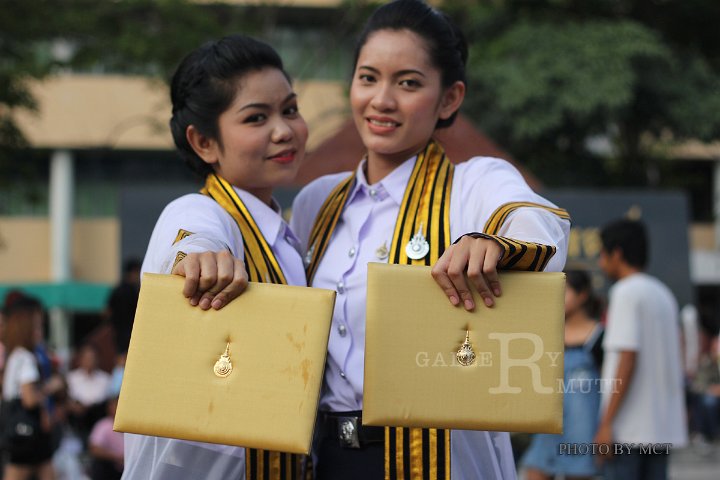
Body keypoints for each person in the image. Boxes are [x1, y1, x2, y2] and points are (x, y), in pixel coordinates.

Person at [290, 1, 571, 478]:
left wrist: (494, 243)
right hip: (327, 457)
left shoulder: (473, 183)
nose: (381, 100)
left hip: (440, 461)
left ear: (449, 99)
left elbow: (541, 223)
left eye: (408, 83)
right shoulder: (317, 201)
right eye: (368, 77)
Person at [122, 34, 308, 480]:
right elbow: (191, 237)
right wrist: (200, 257)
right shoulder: (202, 211)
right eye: (256, 118)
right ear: (204, 142)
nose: (283, 130)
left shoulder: (288, 237)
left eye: (290, 109)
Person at [594, 218, 687, 480]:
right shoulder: (663, 294)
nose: (601, 262)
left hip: (629, 431)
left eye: (603, 253)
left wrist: (606, 423)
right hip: (661, 428)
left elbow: (627, 357)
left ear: (617, 253)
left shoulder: (625, 292)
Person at [522, 269, 603, 480]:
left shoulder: (598, 336)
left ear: (582, 295)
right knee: (534, 470)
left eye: (565, 292)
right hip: (549, 425)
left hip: (584, 429)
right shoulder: (549, 332)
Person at [1, 295, 56, 480]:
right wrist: (51, 388)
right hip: (29, 431)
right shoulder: (27, 358)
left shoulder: (14, 355)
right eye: (38, 326)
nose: (41, 332)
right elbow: (29, 398)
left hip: (14, 427)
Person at [66, 344, 111, 445]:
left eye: (92, 358)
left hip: (98, 419)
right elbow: (67, 402)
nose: (90, 361)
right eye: (87, 358)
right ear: (80, 359)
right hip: (77, 422)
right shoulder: (71, 378)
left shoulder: (106, 379)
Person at [107, 258, 141, 354]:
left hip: (118, 332)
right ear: (133, 272)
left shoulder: (117, 290)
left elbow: (107, 311)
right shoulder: (135, 292)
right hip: (131, 332)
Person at [88, 397, 124, 480]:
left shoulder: (132, 426)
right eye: (115, 405)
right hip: (110, 470)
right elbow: (94, 448)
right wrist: (116, 457)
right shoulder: (103, 425)